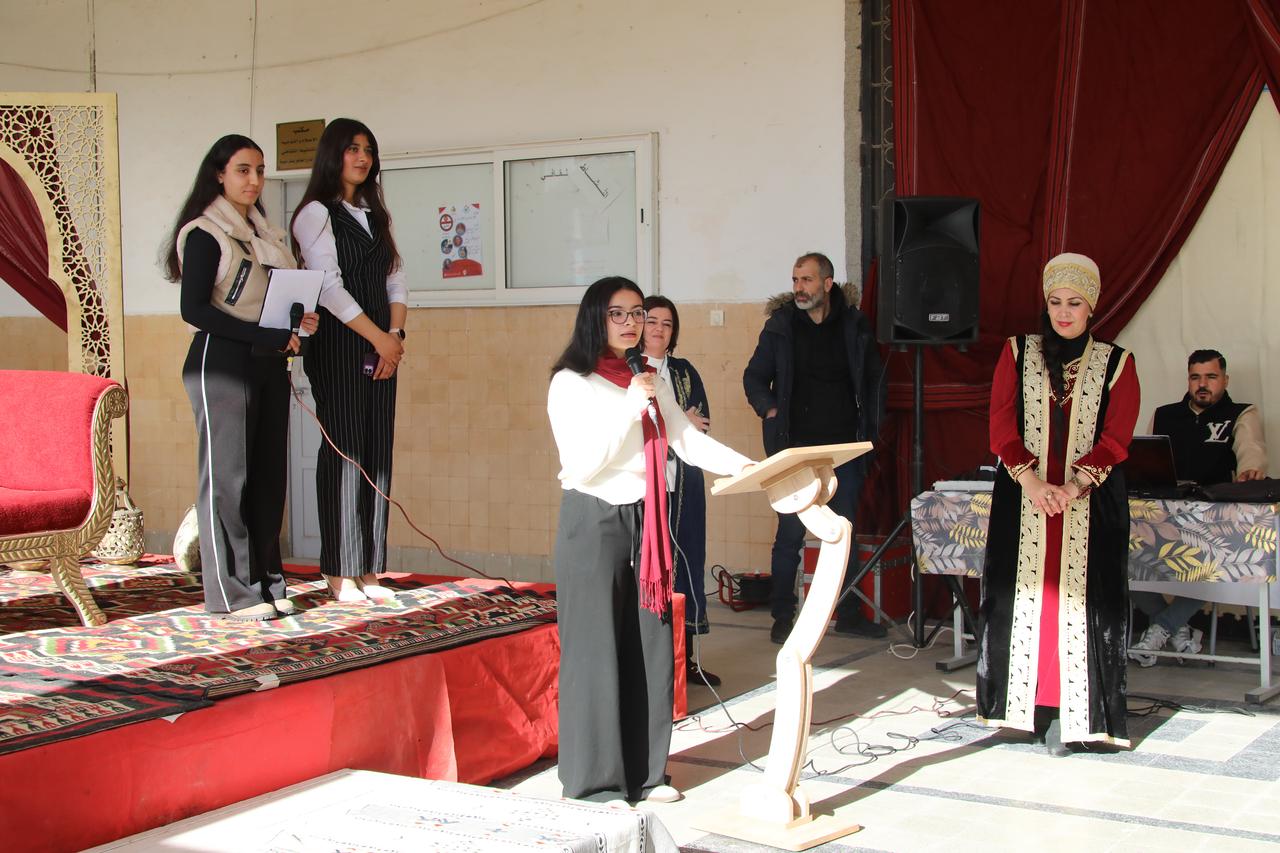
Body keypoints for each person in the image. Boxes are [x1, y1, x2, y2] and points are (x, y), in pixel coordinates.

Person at [548, 277, 753, 804]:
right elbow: (584, 462)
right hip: (593, 521)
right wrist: (631, 408)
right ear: (595, 316)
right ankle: (595, 782)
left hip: (648, 522)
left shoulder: (647, 376)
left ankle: (646, 774)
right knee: (596, 652)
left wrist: (753, 468)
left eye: (637, 313)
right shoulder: (572, 382)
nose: (631, 322)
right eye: (619, 313)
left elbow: (687, 442)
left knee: (651, 646)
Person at [977, 252, 1141, 753]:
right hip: (1024, 495)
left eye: (1074, 303)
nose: (1064, 312)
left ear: (1092, 307)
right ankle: (1022, 710)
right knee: (1023, 598)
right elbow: (1000, 423)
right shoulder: (1017, 351)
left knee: (1084, 605)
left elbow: (1117, 436)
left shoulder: (1117, 362)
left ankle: (1075, 718)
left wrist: (1072, 487)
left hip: (1090, 503)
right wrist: (1032, 483)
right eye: (1055, 302)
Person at [165, 134, 319, 621]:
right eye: (242, 170)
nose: (253, 181)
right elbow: (194, 310)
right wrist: (264, 334)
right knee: (228, 480)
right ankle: (231, 593)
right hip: (221, 363)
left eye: (258, 170)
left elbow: (274, 302)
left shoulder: (265, 233)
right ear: (219, 174)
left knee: (269, 478)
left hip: (266, 359)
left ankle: (268, 583)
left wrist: (296, 325)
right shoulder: (205, 233)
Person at [742, 252, 885, 644]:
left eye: (806, 280)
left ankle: (850, 612)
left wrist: (871, 431)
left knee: (844, 531)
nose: (798, 288)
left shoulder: (854, 325)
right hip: (795, 449)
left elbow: (874, 381)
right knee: (790, 532)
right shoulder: (781, 325)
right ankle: (782, 616)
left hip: (844, 449)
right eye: (794, 280)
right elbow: (754, 376)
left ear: (827, 282)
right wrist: (768, 407)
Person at [291, 118, 406, 603]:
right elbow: (328, 287)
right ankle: (339, 569)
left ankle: (371, 568)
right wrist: (379, 338)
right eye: (352, 149)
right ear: (332, 154)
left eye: (368, 150)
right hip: (340, 343)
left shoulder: (376, 214)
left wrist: (395, 336)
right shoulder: (315, 213)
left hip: (383, 342)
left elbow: (397, 278)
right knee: (345, 452)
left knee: (377, 451)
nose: (362, 158)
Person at [1129, 349, 1269, 665]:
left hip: (1215, 517)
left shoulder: (1242, 413)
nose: (1202, 384)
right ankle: (1177, 629)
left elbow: (1252, 452)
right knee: (1122, 559)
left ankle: (1162, 627)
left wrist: (1251, 470)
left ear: (1225, 379)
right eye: (1196, 377)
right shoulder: (1165, 414)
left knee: (1221, 563)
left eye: (1211, 377)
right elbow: (1149, 459)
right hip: (1163, 513)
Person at [641, 295, 719, 687]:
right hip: (646, 488)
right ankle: (656, 663)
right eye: (652, 321)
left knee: (686, 564)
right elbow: (639, 430)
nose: (658, 329)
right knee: (653, 570)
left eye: (666, 324)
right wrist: (675, 426)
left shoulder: (684, 372)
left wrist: (676, 427)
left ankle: (687, 660)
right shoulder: (630, 372)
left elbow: (700, 423)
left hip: (685, 483)